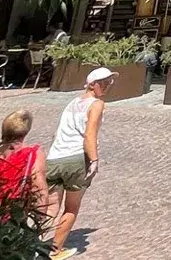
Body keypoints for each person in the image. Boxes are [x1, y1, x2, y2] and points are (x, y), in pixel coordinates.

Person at [44, 66, 112, 260]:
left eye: (109, 82)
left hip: (55, 158)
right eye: (103, 83)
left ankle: (29, 244)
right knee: (71, 208)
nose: (107, 86)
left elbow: (56, 133)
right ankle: (55, 250)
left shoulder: (72, 103)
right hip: (76, 160)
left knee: (49, 208)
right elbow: (89, 134)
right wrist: (94, 160)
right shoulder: (96, 104)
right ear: (92, 85)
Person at [0, 109, 49, 225]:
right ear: (26, 131)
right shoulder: (32, 154)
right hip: (9, 216)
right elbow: (38, 187)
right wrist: (40, 219)